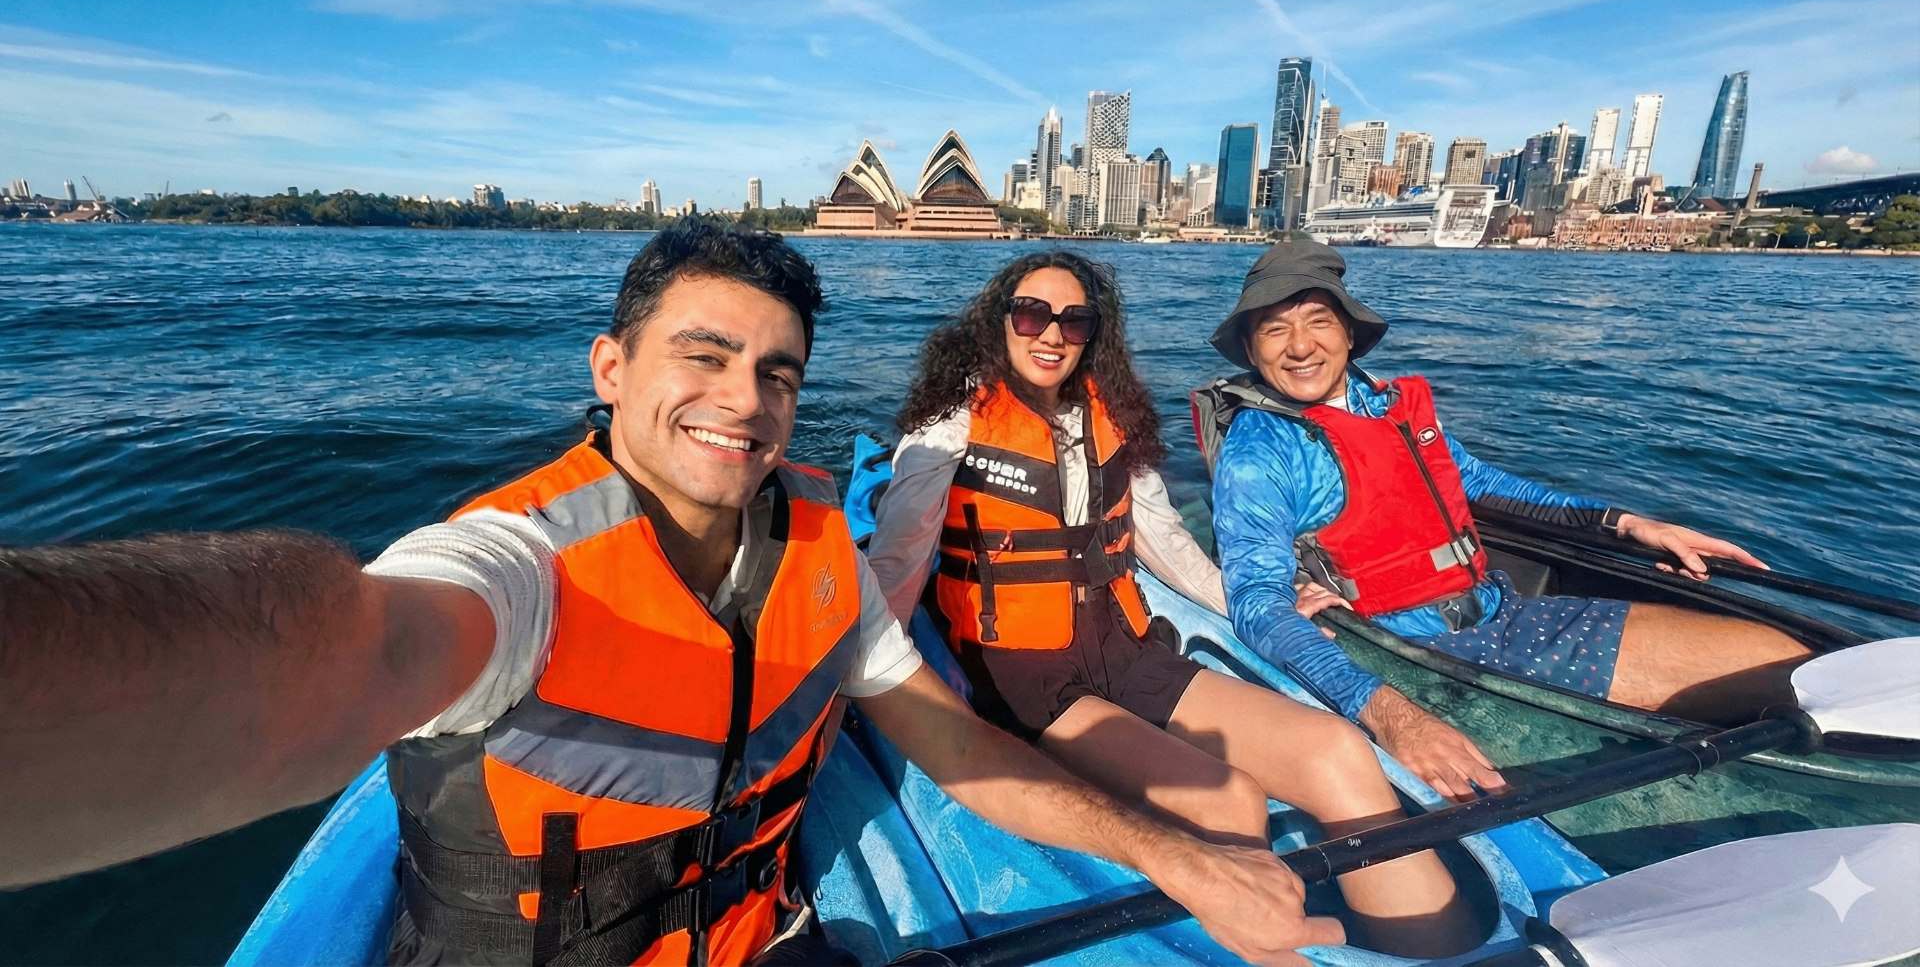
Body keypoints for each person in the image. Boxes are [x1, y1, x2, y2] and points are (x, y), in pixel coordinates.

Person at [0, 220, 1343, 967]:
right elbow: (335, 651)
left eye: (777, 370)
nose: (743, 398)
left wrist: (1186, 858)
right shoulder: (518, 563)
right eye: (703, 354)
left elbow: (955, 744)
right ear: (608, 364)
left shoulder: (817, 536)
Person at [867, 250, 1480, 959]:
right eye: (1032, 313)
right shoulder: (952, 421)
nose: (1051, 334)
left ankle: (1447, 952)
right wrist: (866, 678)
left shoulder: (1110, 414)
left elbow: (1166, 544)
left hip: (1124, 649)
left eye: (1075, 320)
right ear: (999, 322)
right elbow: (901, 561)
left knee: (1335, 751)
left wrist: (1259, 599)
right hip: (1024, 674)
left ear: (1094, 332)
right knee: (1225, 798)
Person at [1193, 237, 1813, 798]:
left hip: (1503, 610)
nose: (1300, 347)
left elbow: (1479, 483)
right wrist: (1387, 713)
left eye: (1318, 322)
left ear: (1350, 334)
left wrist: (1626, 524)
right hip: (1423, 655)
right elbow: (1255, 599)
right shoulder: (1262, 449)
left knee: (1790, 664)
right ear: (1251, 349)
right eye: (1275, 330)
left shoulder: (1383, 404)